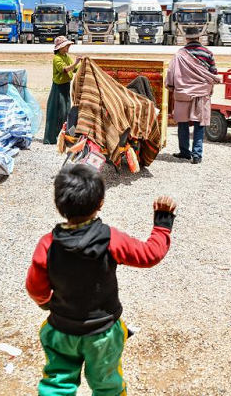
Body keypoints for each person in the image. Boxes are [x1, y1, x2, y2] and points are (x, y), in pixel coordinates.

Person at [26, 165, 177, 395]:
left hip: (61, 330)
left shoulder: (48, 244)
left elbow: (35, 287)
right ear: (100, 203)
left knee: (56, 384)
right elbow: (149, 255)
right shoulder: (111, 239)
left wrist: (45, 302)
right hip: (104, 333)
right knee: (108, 386)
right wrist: (162, 224)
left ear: (59, 205)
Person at [166, 26, 222, 164]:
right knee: (199, 124)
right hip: (202, 94)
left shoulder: (179, 54)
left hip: (183, 94)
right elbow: (213, 74)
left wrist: (172, 87)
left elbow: (171, 74)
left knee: (183, 124)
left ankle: (185, 152)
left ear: (186, 38)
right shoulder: (208, 53)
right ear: (199, 37)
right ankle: (197, 155)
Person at [43, 35, 82, 145]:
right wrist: (76, 62)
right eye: (66, 46)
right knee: (57, 113)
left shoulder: (65, 56)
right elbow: (64, 70)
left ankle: (67, 137)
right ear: (60, 48)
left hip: (65, 88)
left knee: (66, 112)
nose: (68, 47)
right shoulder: (57, 59)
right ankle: (51, 138)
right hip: (58, 89)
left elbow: (74, 69)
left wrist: (83, 65)